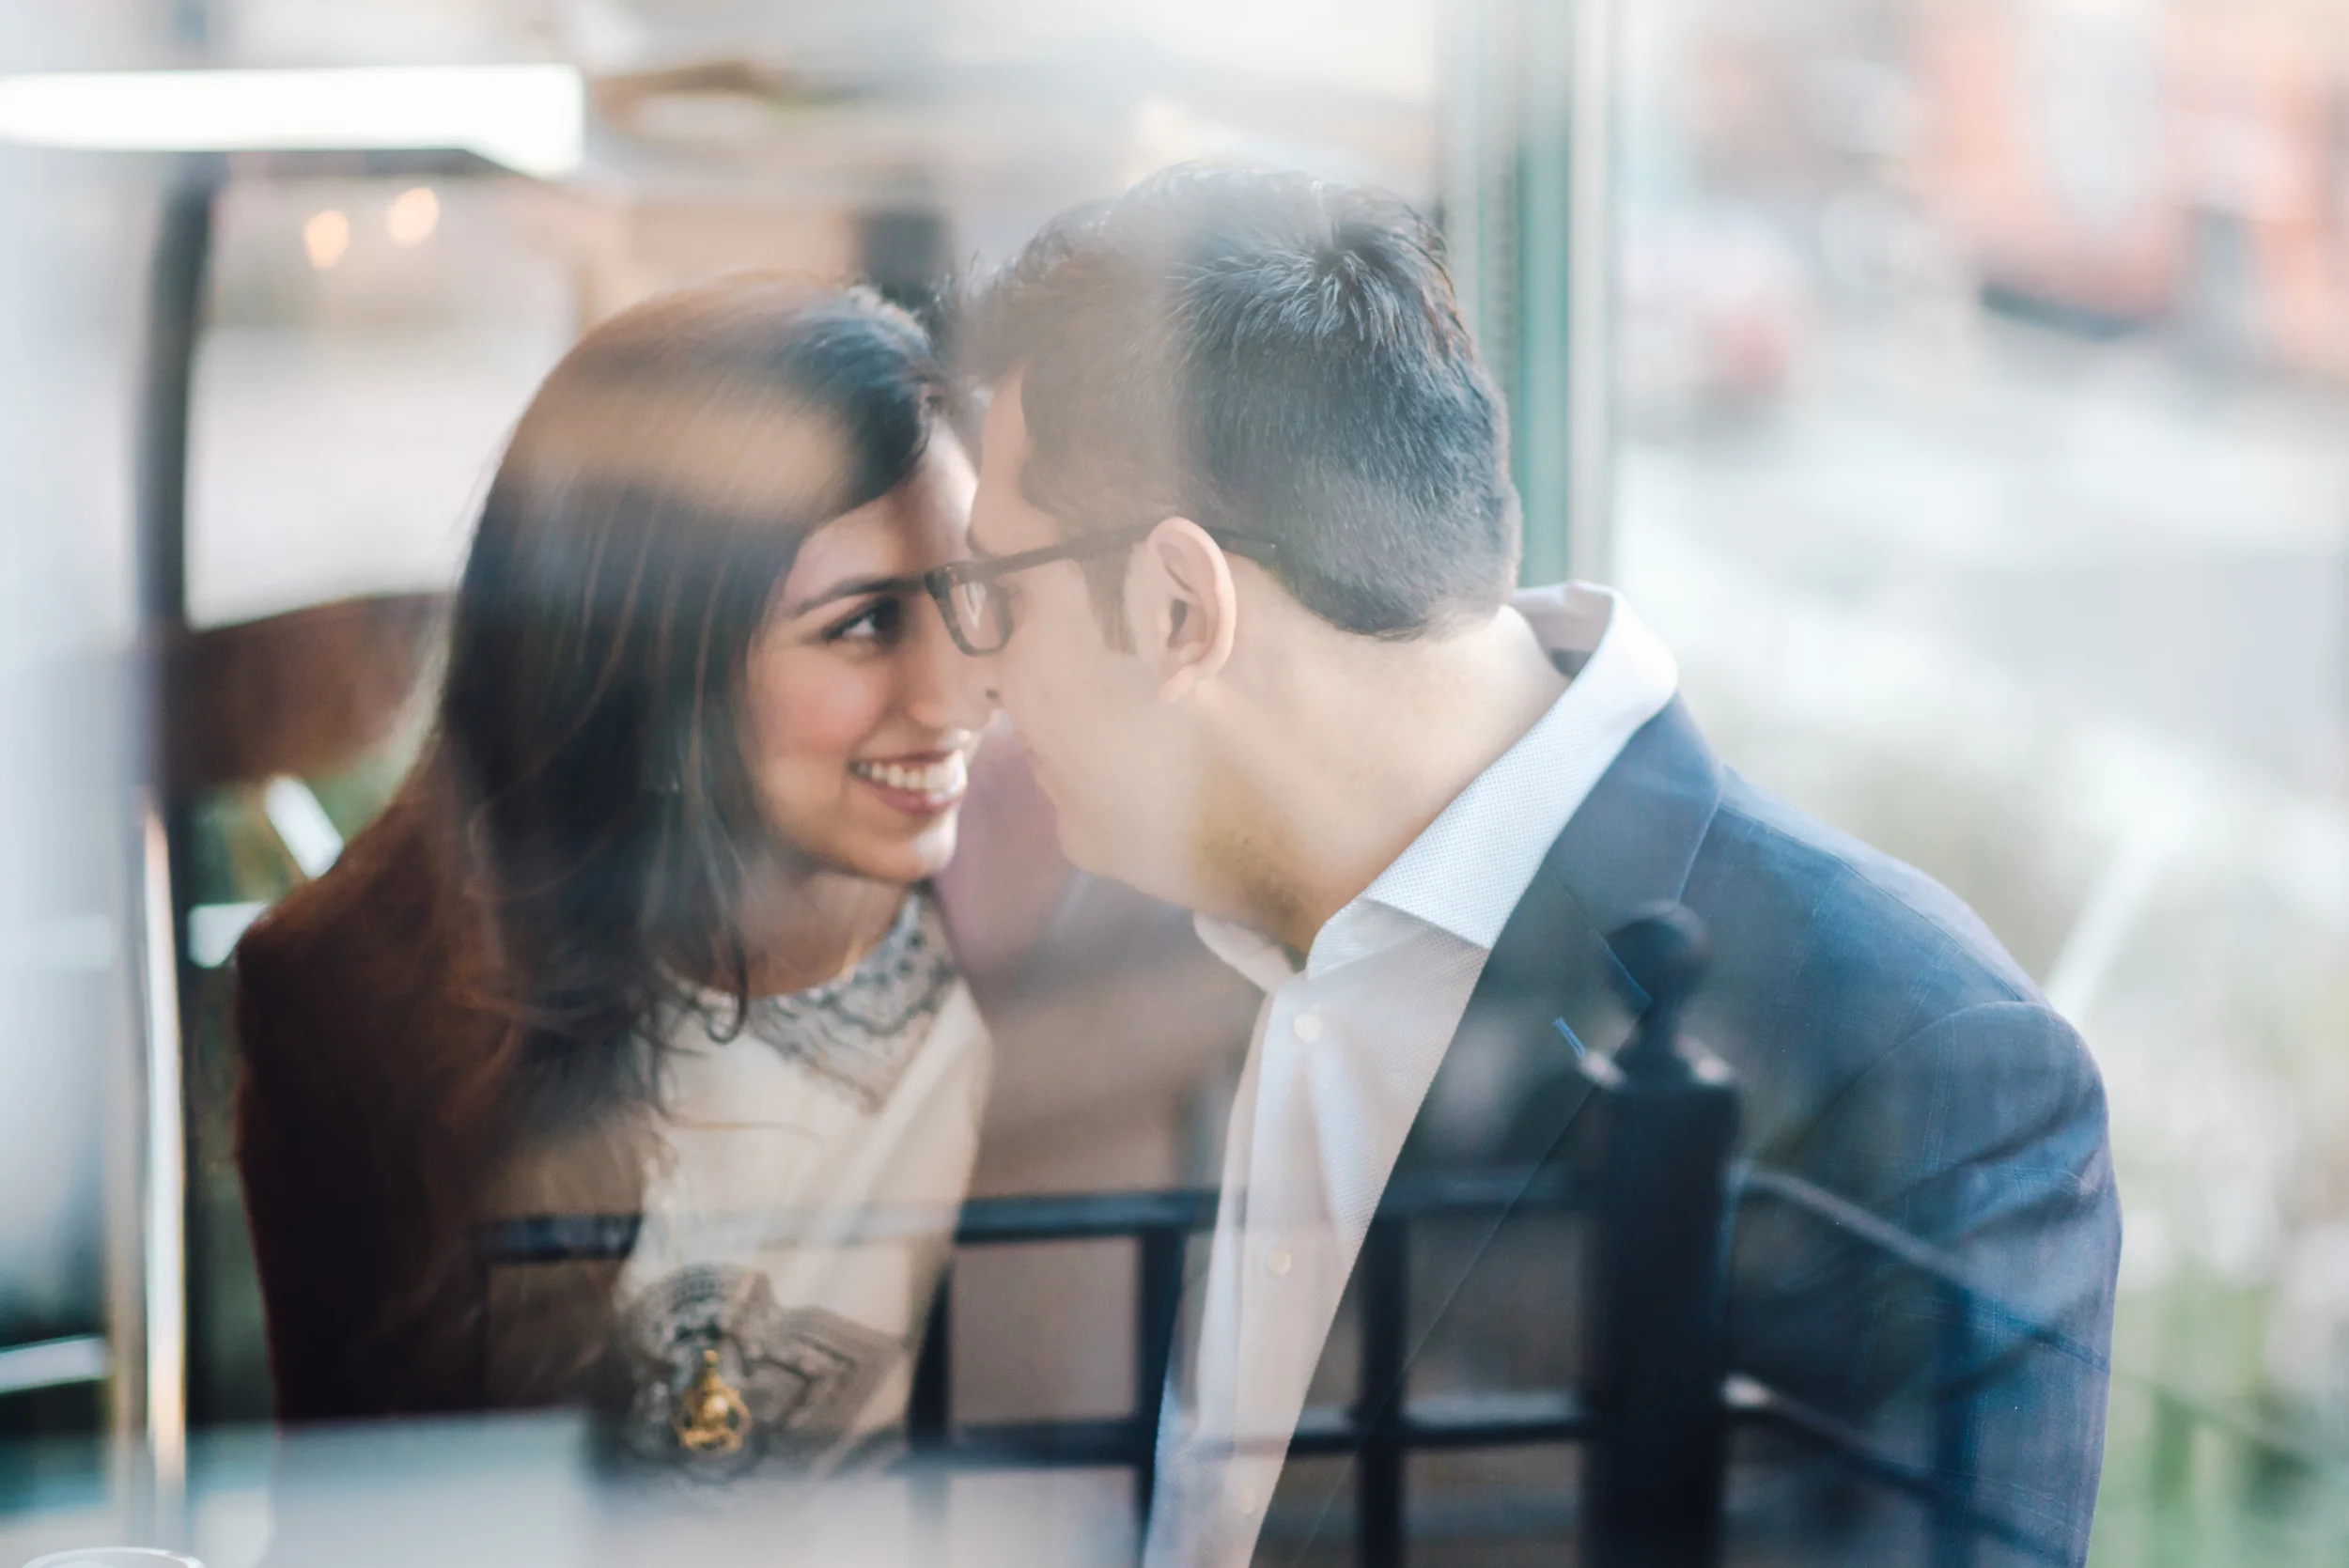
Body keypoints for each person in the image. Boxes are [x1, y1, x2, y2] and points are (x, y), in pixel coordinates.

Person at [951, 166, 2122, 1565]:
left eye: (994, 597)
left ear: (1178, 607)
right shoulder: (1178, 931)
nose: (981, 677)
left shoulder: (1915, 1058)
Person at [233, 279, 1011, 1469]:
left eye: (971, 596)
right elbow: (358, 1517)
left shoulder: (1048, 940)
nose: (962, 694)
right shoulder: (361, 1007)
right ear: (650, 653)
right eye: (863, 622)